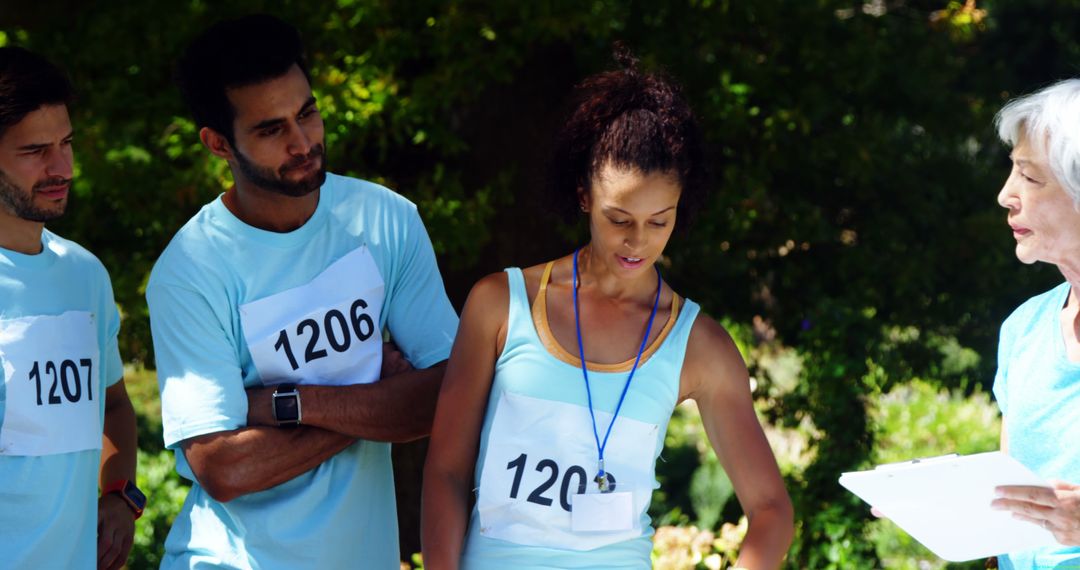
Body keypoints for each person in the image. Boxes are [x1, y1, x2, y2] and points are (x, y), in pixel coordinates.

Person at [421, 51, 794, 569]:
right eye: (618, 218)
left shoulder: (700, 346)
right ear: (583, 196)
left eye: (659, 222)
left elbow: (771, 509)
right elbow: (446, 472)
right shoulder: (501, 303)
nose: (637, 242)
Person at [146, 14, 458, 569]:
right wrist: (377, 395)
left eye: (307, 112)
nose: (303, 141)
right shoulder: (191, 268)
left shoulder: (385, 220)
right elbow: (223, 469)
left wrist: (288, 405)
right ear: (219, 143)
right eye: (271, 130)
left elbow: (449, 398)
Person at [0, 46, 140, 570]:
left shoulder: (85, 275)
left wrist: (121, 496)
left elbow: (116, 407)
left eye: (67, 143)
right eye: (35, 151)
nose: (62, 167)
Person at [986, 79, 1080, 568]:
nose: (1006, 195)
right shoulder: (1023, 329)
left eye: (1031, 178)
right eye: (1011, 172)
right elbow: (1011, 497)